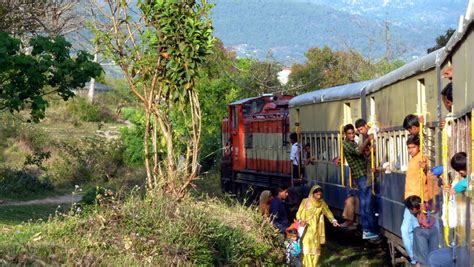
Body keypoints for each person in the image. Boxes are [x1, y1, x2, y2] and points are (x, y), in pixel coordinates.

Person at [342, 123, 378, 239]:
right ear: (345, 135)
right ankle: (367, 230)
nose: (352, 135)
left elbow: (360, 155)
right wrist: (368, 139)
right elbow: (358, 151)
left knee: (366, 204)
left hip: (363, 175)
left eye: (353, 133)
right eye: (349, 133)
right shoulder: (346, 144)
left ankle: (368, 230)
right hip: (361, 176)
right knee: (366, 204)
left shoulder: (352, 143)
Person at [402, 134, 431, 265]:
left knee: (408, 231)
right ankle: (417, 260)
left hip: (417, 203)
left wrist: (424, 167)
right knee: (411, 232)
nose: (410, 150)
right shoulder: (412, 159)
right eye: (408, 148)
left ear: (418, 147)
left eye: (412, 147)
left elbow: (425, 169)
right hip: (409, 202)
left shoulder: (421, 158)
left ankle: (416, 260)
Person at [296, 185, 339, 266]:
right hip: (306, 230)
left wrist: (333, 220)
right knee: (306, 252)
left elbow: (328, 212)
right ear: (312, 194)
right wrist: (300, 220)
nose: (319, 196)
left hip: (316, 231)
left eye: (320, 194)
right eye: (317, 194)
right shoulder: (305, 201)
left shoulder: (322, 203)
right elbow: (298, 213)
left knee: (315, 253)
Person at [404, 195, 439, 267]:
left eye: (409, 209)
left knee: (422, 257)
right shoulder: (428, 205)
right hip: (434, 231)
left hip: (423, 232)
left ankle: (419, 263)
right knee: (434, 255)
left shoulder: (420, 212)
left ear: (413, 209)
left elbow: (417, 247)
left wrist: (416, 260)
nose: (410, 212)